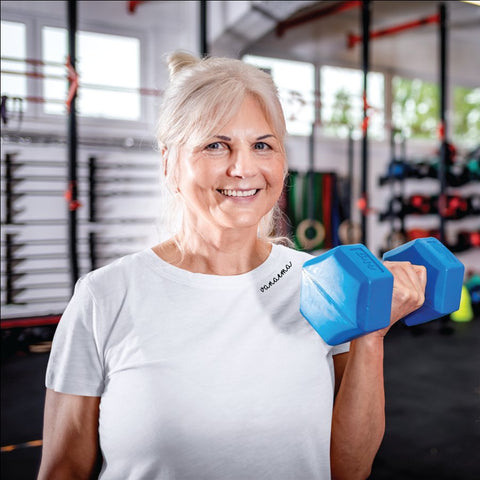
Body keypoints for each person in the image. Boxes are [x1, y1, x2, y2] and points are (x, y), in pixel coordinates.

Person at [37, 52, 427, 480]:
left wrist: (371, 336)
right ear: (169, 162)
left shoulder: (321, 281)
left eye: (262, 145)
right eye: (216, 145)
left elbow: (349, 469)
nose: (243, 169)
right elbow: (63, 470)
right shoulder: (104, 296)